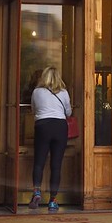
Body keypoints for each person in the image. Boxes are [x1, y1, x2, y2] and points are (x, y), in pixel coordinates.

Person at [28, 66, 72, 213]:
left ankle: (37, 191)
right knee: (56, 165)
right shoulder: (64, 92)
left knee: (39, 162)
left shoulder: (37, 92)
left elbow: (33, 110)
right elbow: (68, 112)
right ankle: (53, 201)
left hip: (43, 125)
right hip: (60, 126)